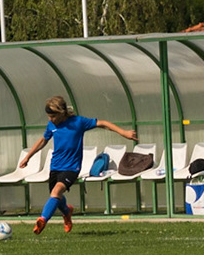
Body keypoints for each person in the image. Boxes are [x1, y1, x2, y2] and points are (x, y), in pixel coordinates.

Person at [16, 96, 135, 235]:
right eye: (48, 116)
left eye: (52, 116)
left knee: (55, 193)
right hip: (55, 166)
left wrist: (124, 132)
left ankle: (42, 219)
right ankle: (67, 211)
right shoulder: (52, 125)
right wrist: (28, 157)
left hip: (72, 168)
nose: (50, 119)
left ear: (61, 113)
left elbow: (102, 123)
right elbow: (43, 140)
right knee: (55, 196)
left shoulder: (78, 122)